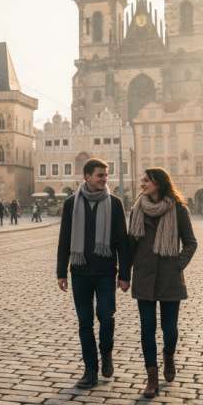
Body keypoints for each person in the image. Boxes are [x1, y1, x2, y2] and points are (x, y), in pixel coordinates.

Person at [121, 167, 197, 399]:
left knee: (170, 329)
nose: (142, 183)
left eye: (147, 180)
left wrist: (177, 266)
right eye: (142, 179)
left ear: (159, 183)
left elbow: (191, 243)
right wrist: (124, 273)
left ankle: (169, 355)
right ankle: (152, 378)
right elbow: (130, 246)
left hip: (169, 277)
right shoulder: (137, 210)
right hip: (144, 277)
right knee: (147, 330)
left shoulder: (179, 210)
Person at [56, 159, 129, 389]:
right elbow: (64, 239)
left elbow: (122, 242)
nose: (105, 179)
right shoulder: (71, 204)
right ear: (87, 176)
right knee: (85, 323)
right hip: (80, 272)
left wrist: (125, 274)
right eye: (100, 175)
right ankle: (90, 370)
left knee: (106, 316)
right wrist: (61, 271)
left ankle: (106, 352)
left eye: (106, 175)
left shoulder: (115, 204)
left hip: (106, 272)